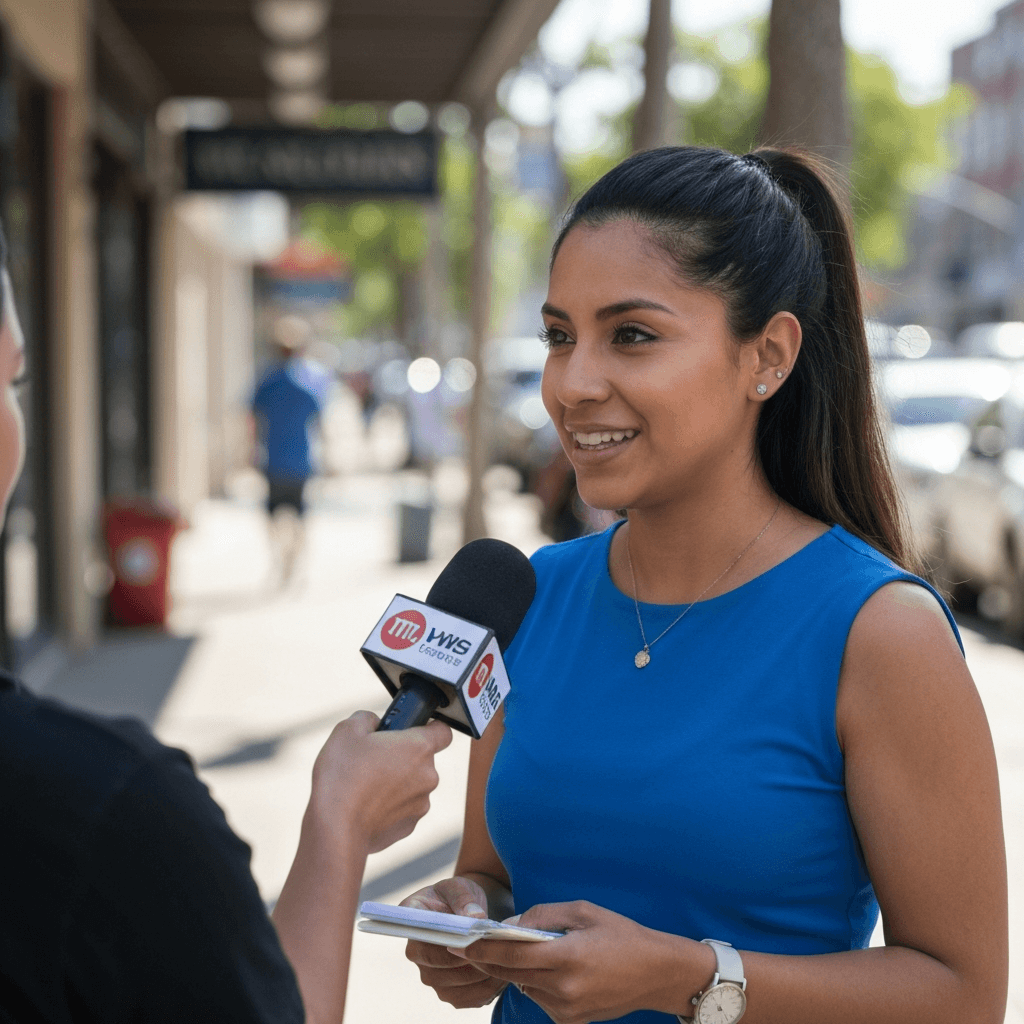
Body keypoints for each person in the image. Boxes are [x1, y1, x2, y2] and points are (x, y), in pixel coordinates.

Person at [400, 147, 1008, 1024]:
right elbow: (497, 876)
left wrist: (690, 978)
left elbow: (965, 995)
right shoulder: (532, 598)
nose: (573, 384)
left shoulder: (877, 632)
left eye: (633, 336)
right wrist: (472, 919)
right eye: (559, 336)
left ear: (767, 355)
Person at [0, 228, 454, 1023]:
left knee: (286, 519)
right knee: (292, 521)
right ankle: (289, 559)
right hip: (297, 467)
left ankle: (285, 555)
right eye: (12, 378)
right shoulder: (112, 820)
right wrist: (339, 825)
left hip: (284, 466)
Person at [251, 315, 332, 584]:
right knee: (299, 516)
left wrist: (248, 453)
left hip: (274, 461)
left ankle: (281, 560)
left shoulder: (268, 383)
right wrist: (329, 458)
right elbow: (320, 424)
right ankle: (293, 560)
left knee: (273, 517)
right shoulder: (308, 384)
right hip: (299, 462)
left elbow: (252, 421)